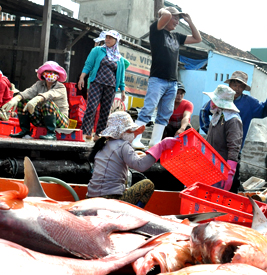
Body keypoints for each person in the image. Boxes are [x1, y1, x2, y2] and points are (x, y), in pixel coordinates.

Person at [131, 6, 202, 150]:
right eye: (175, 18)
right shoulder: (156, 30)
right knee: (148, 109)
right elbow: (165, 15)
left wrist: (189, 21)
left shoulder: (176, 36)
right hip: (158, 79)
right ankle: (135, 140)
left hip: (172, 81)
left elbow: (197, 38)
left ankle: (155, 142)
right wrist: (165, 12)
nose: (177, 21)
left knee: (165, 114)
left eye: (178, 18)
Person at [199, 71, 267, 192]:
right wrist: (208, 130)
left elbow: (264, 111)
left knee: (231, 179)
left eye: (240, 86)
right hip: (214, 148)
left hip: (232, 149)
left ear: (244, 88)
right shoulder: (219, 101)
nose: (237, 88)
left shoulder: (247, 105)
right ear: (230, 86)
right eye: (234, 85)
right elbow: (204, 110)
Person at [87, 111, 180, 208]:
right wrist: (161, 146)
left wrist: (138, 155)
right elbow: (141, 165)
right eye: (131, 131)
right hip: (110, 200)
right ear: (123, 132)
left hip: (90, 198)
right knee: (148, 184)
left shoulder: (104, 144)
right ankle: (131, 217)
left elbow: (116, 158)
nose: (133, 135)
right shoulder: (123, 145)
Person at [78, 30, 130, 142]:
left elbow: (121, 77)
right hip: (96, 83)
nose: (107, 40)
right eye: (106, 37)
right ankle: (85, 133)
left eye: (110, 38)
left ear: (116, 41)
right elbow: (88, 64)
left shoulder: (119, 59)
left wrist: (123, 91)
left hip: (111, 87)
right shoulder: (97, 50)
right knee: (91, 107)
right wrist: (82, 77)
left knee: (105, 111)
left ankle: (99, 134)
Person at [2, 61, 69, 140]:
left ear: (57, 75)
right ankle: (25, 131)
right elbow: (29, 92)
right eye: (49, 71)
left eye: (54, 72)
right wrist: (17, 98)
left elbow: (50, 94)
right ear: (44, 73)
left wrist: (37, 99)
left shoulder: (61, 87)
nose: (51, 74)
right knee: (22, 102)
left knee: (47, 104)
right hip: (42, 119)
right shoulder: (39, 84)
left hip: (60, 121)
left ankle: (51, 133)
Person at [203, 85, 242, 192]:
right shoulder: (217, 116)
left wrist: (229, 173)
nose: (211, 102)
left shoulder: (233, 120)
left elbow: (234, 148)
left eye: (213, 100)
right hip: (211, 165)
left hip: (222, 169)